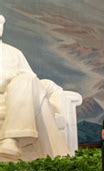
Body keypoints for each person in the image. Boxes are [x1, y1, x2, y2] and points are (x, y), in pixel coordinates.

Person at [0, 14, 70, 160]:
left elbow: (32, 80)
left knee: (27, 81)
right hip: (5, 97)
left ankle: (11, 141)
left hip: (18, 97)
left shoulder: (14, 53)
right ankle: (59, 159)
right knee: (40, 102)